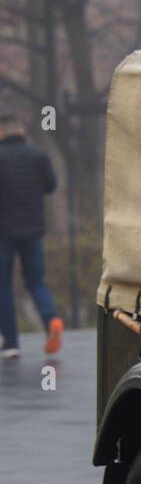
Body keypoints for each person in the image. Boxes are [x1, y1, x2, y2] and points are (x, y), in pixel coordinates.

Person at [0, 114, 62, 359]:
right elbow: (51, 185)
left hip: (3, 233)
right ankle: (51, 321)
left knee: (3, 286)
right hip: (33, 230)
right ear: (22, 131)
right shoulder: (38, 156)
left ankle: (11, 343)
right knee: (36, 281)